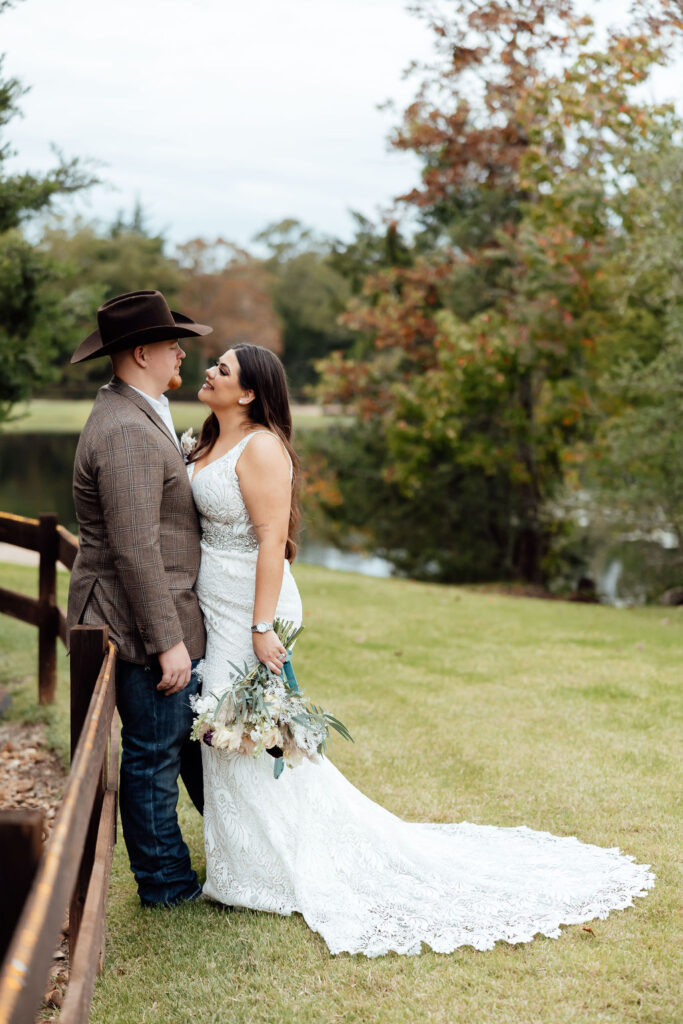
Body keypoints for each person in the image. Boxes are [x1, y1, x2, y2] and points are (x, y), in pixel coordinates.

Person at [189, 343, 654, 957]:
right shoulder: (201, 441)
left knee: (241, 733)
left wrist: (261, 626)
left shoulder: (263, 448)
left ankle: (261, 873)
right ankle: (245, 867)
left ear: (248, 392)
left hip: (254, 608)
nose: (209, 372)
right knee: (228, 736)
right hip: (215, 602)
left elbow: (273, 538)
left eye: (222, 369)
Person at [67, 289, 213, 907]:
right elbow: (134, 549)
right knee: (155, 754)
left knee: (173, 747)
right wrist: (168, 643)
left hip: (148, 615)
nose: (182, 353)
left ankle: (212, 858)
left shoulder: (137, 411)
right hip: (134, 622)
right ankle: (167, 885)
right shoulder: (125, 431)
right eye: (173, 343)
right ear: (143, 351)